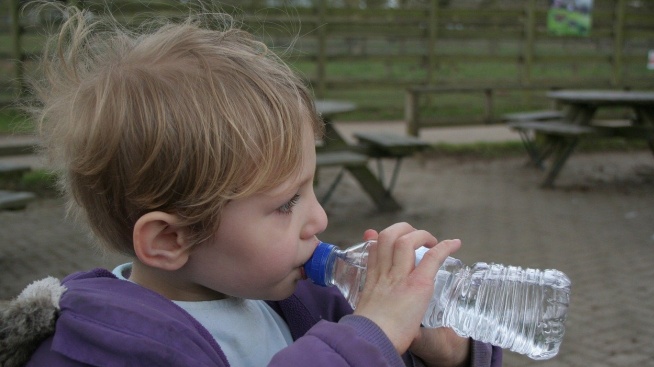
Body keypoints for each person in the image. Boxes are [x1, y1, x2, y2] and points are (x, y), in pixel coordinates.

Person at [1, 3, 502, 367]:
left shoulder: (296, 303)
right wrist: (371, 336)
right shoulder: (102, 347)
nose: (320, 220)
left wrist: (444, 353)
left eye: (310, 189)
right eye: (286, 204)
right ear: (171, 239)